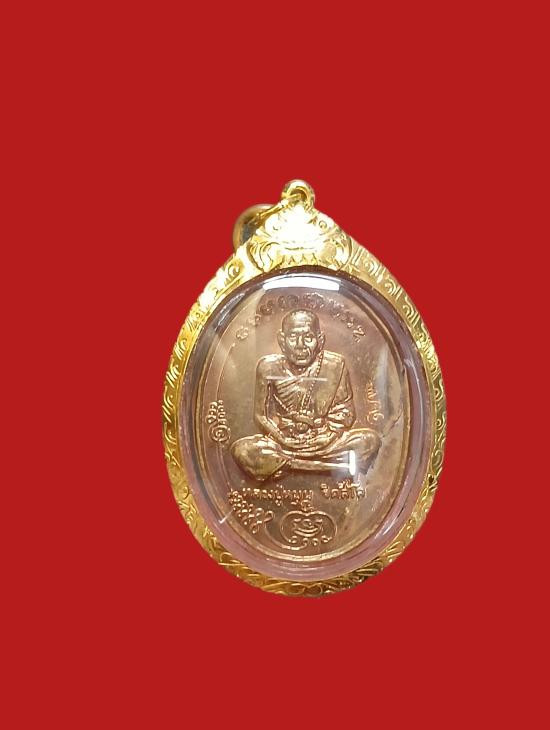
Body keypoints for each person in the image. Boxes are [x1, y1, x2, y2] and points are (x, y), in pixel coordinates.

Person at [231, 309, 380, 481]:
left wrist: (327, 436)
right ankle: (332, 468)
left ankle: (289, 466)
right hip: (283, 443)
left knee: (369, 440)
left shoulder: (334, 365)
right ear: (281, 341)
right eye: (293, 337)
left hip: (325, 441)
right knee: (243, 450)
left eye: (308, 337)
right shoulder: (268, 368)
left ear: (320, 341)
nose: (300, 345)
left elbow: (345, 412)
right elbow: (260, 416)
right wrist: (283, 439)